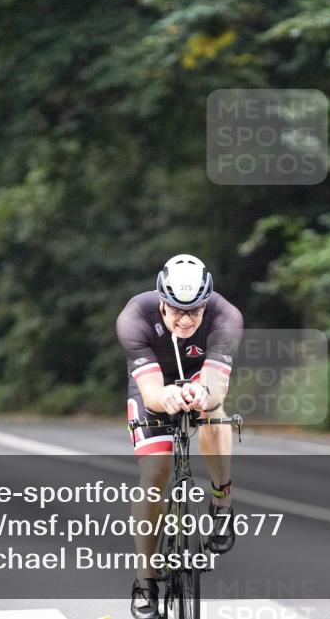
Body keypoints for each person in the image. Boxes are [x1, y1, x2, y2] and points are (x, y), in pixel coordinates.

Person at [116, 254, 243, 619]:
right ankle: (146, 579)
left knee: (214, 413)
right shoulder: (134, 317)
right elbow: (151, 392)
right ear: (162, 300)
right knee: (155, 471)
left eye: (195, 311)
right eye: (176, 311)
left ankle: (222, 502)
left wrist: (204, 393)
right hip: (154, 384)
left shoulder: (226, 317)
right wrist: (166, 397)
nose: (186, 320)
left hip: (202, 377)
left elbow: (215, 386)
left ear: (207, 303)